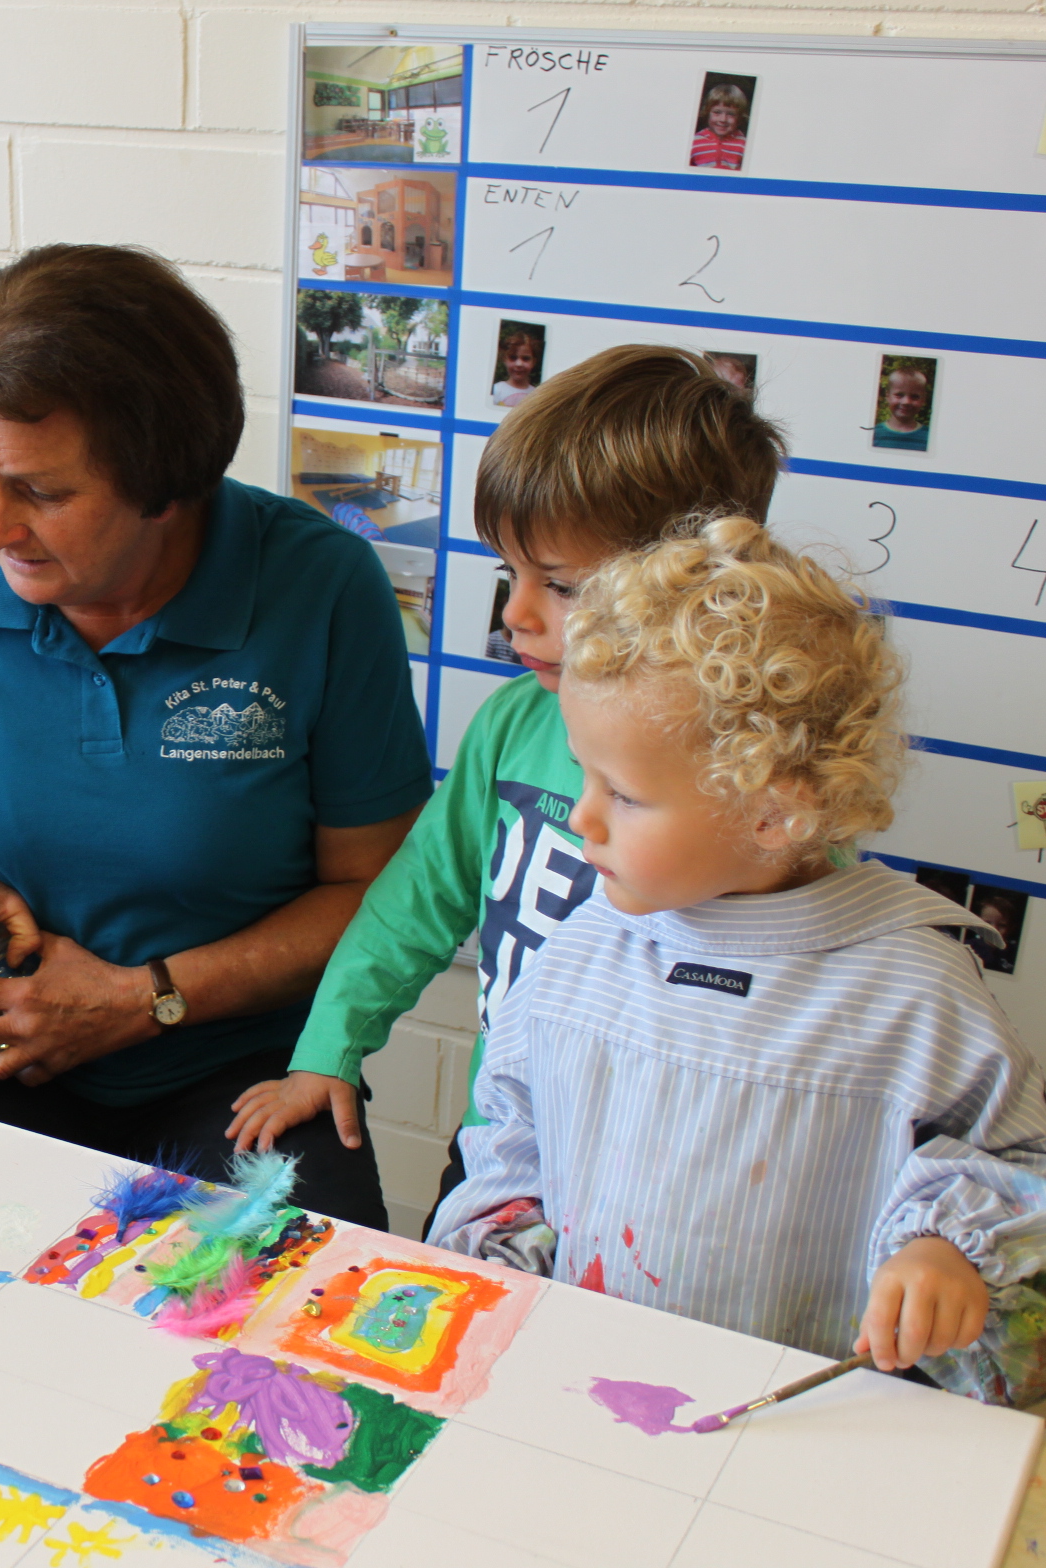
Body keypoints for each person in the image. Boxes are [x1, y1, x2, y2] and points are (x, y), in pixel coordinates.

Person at [0, 244, 431, 1217]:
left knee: (295, 1339)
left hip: (240, 1065)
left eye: (42, 490)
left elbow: (376, 891)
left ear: (167, 477)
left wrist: (142, 995)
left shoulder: (322, 591)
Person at [429, 519, 1046, 1402]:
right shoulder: (585, 944)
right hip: (584, 1388)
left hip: (809, 1416)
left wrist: (945, 1247)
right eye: (585, 776)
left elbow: (1019, 1166)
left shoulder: (914, 987)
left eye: (626, 795)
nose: (581, 819)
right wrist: (502, 1244)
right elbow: (513, 1133)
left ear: (772, 815)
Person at [232, 346, 787, 1214]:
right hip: (504, 1143)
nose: (516, 615)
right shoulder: (512, 724)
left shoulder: (763, 775)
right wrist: (328, 1048)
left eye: (559, 586)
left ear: (700, 588)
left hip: (683, 1176)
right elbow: (413, 904)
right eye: (511, 574)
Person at [874, 362, 933, 451]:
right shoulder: (874, 434)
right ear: (888, 396)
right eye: (899, 395)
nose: (906, 402)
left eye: (914, 396)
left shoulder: (930, 437)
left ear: (923, 400)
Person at [690, 82, 749, 169]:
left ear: (739, 117)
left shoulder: (744, 144)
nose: (723, 119)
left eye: (731, 114)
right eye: (717, 112)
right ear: (707, 112)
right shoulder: (694, 142)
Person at [489, 325, 541, 408]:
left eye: (525, 358)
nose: (519, 364)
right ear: (504, 359)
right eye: (513, 357)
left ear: (534, 362)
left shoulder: (537, 395)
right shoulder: (496, 390)